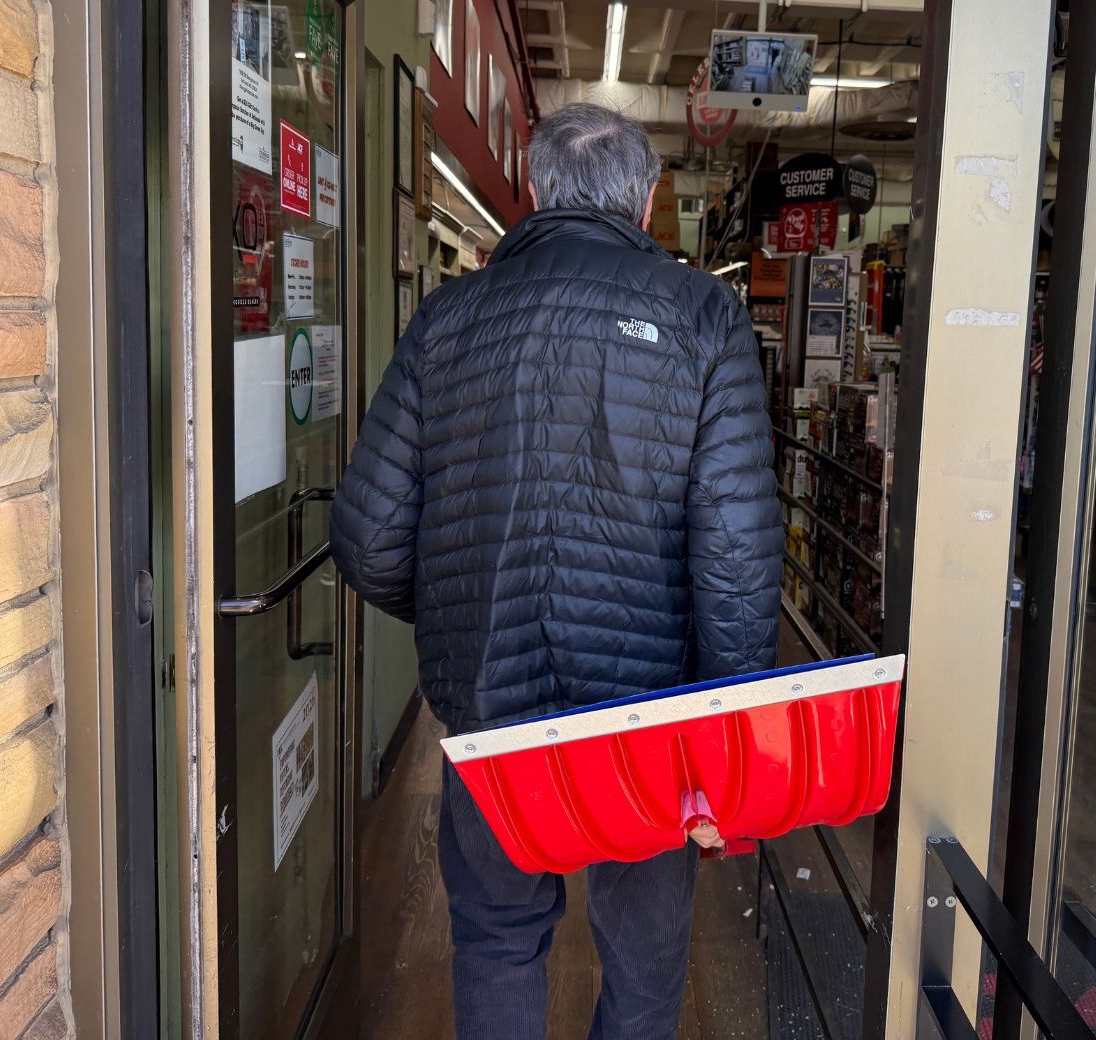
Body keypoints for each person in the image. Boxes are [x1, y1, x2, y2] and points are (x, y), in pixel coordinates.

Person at [331, 102, 782, 1040]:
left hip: (490, 707)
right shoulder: (704, 316)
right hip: (647, 721)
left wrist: (460, 606)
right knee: (647, 962)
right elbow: (735, 556)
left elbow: (369, 538)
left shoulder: (447, 318)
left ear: (535, 189)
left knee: (496, 941)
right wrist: (727, 745)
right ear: (648, 200)